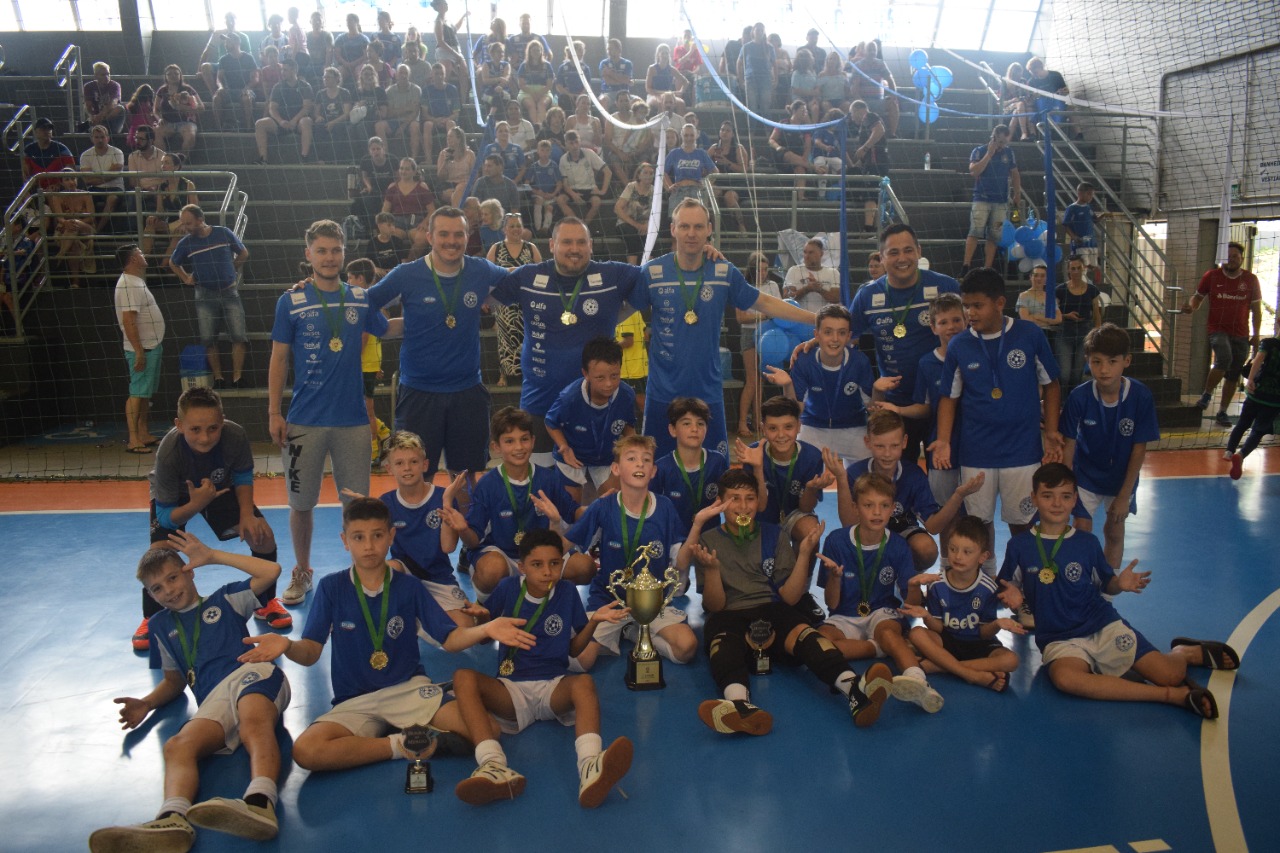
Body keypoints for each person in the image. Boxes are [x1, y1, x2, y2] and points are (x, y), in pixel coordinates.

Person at [239, 497, 533, 773]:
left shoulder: (409, 587)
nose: (369, 546)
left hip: (408, 690)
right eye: (358, 537)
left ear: (391, 536)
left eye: (377, 535)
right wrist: (287, 645)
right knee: (307, 751)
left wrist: (486, 628)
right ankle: (402, 743)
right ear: (345, 541)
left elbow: (450, 639)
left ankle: (414, 729)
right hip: (356, 700)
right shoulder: (331, 588)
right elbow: (310, 652)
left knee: (487, 729)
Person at [88, 534, 288, 853]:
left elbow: (271, 571)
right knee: (177, 745)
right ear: (150, 595)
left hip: (253, 672)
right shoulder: (159, 626)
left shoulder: (226, 599)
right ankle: (172, 819)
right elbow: (174, 681)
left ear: (189, 571)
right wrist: (146, 703)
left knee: (252, 722)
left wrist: (213, 556)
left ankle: (261, 802)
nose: (168, 590)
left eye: (173, 578)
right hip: (214, 700)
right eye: (157, 588)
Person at [998, 463, 1237, 718]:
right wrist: (1011, 596)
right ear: (1034, 498)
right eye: (1048, 496)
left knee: (1170, 674)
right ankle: (1170, 696)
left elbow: (1107, 583)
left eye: (1065, 496)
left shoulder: (1087, 543)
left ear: (1075, 500)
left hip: (1100, 625)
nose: (1057, 503)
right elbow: (1004, 587)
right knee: (1066, 679)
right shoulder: (1019, 546)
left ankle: (1184, 653)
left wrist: (1119, 584)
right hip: (1059, 638)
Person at [683, 469, 893, 733]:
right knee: (723, 647)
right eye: (734, 498)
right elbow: (714, 606)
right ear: (721, 503)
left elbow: (791, 597)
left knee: (809, 636)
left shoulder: (775, 535)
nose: (743, 506)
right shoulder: (708, 540)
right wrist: (713, 571)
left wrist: (804, 554)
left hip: (772, 608)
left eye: (750, 498)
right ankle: (739, 706)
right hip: (729, 611)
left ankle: (855, 689)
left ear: (758, 502)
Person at [449, 528, 633, 807]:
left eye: (554, 563)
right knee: (463, 677)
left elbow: (574, 650)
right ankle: (492, 764)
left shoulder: (567, 592)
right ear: (522, 567)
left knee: (584, 682)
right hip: (511, 690)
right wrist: (483, 621)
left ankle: (589, 765)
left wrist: (594, 621)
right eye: (537, 564)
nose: (547, 572)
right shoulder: (507, 588)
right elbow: (485, 640)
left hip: (553, 687)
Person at [268, 220, 390, 608]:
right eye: (321, 250)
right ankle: (303, 571)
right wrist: (273, 411)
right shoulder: (291, 301)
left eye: (335, 250)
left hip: (353, 422)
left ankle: (362, 573)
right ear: (308, 255)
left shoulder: (360, 298)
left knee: (357, 506)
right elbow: (279, 358)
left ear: (344, 253)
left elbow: (387, 329)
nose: (329, 257)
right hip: (304, 421)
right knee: (301, 504)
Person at [635, 198, 816, 458]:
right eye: (684, 226)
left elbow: (764, 302)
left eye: (698, 226)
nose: (691, 233)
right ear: (673, 229)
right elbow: (621, 307)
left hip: (707, 390)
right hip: (663, 392)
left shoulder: (722, 271)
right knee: (656, 468)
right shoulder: (651, 272)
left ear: (709, 229)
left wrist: (816, 320)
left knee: (714, 469)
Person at [934, 268, 1063, 575]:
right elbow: (948, 397)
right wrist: (943, 440)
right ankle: (986, 579)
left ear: (1000, 302)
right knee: (978, 524)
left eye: (977, 305)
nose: (970, 312)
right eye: (967, 305)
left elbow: (1052, 385)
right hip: (976, 451)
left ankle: (1025, 577)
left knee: (1023, 522)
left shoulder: (1030, 335)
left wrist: (1052, 431)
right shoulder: (959, 345)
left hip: (1022, 450)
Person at [142, 386, 289, 653]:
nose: (205, 437)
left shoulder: (235, 435)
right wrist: (197, 503)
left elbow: (242, 476)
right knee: (159, 553)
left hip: (220, 489)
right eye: (195, 429)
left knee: (262, 536)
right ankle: (151, 618)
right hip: (177, 499)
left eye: (213, 428)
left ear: (222, 420)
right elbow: (165, 516)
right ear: (179, 425)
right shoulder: (169, 452)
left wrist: (247, 515)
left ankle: (265, 601)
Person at [562, 434, 698, 671]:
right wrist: (555, 524)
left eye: (646, 460)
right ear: (616, 468)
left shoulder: (665, 507)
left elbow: (681, 562)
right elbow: (566, 544)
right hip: (610, 599)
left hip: (653, 600)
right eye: (631, 458)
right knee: (580, 660)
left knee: (686, 648)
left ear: (653, 471)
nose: (639, 464)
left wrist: (698, 524)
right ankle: (626, 628)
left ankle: (636, 632)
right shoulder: (602, 507)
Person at [816, 471, 943, 712]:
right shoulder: (836, 541)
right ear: (855, 508)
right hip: (844, 615)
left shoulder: (898, 545)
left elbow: (911, 604)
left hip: (882, 612)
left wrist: (914, 586)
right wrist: (834, 578)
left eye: (884, 506)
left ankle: (918, 681)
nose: (877, 512)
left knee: (889, 634)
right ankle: (878, 649)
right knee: (820, 645)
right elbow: (831, 603)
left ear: (893, 508)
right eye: (868, 505)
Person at [439, 407, 592, 598]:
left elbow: (573, 512)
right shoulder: (488, 485)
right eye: (509, 441)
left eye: (524, 439)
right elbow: (473, 541)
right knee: (491, 570)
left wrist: (598, 508)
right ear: (496, 447)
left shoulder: (548, 479)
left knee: (585, 567)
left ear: (533, 441)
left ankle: (547, 599)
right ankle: (489, 605)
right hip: (503, 555)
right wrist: (463, 530)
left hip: (541, 555)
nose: (519, 447)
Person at [844, 223, 962, 464]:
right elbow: (845, 337)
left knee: (945, 473)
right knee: (893, 474)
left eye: (908, 250)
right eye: (893, 252)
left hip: (945, 399)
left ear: (919, 251)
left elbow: (971, 334)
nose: (902, 258)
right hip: (894, 403)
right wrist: (816, 342)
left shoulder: (946, 287)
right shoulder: (867, 295)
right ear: (882, 257)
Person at [1060, 323, 1160, 570]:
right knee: (1081, 530)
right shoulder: (1079, 397)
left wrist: (1124, 495)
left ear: (1127, 361)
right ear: (1087, 361)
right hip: (1085, 476)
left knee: (1114, 531)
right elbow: (1069, 445)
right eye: (1097, 362)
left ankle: (1108, 587)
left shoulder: (1141, 396)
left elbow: (1139, 449)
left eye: (1112, 362)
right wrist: (1067, 486)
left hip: (1121, 478)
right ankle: (1081, 582)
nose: (1104, 369)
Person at [840, 409, 982, 572]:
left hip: (902, 530)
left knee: (926, 549)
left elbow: (933, 527)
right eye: (880, 446)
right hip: (867, 532)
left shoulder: (913, 475)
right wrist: (841, 479)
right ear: (868, 442)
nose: (887, 454)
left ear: (904, 442)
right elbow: (848, 524)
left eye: (894, 446)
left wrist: (958, 495)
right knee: (847, 545)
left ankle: (908, 578)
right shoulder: (854, 474)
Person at [899, 516, 1022, 692]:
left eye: (967, 552)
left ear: (983, 557)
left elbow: (984, 633)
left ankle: (939, 666)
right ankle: (971, 674)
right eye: (953, 549)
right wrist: (926, 617)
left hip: (978, 644)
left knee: (1011, 660)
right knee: (916, 633)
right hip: (947, 641)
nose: (958, 556)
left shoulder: (988, 588)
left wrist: (997, 624)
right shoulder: (937, 584)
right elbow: (938, 628)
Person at [376, 431, 474, 627]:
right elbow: (377, 551)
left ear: (425, 465)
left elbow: (448, 547)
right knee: (384, 571)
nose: (407, 468)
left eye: (413, 462)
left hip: (438, 578)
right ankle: (410, 613)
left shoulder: (443, 497)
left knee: (465, 627)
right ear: (389, 468)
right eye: (399, 463)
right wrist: (365, 514)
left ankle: (419, 618)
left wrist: (447, 502)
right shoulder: (385, 503)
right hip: (405, 574)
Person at [764, 305, 883, 466]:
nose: (835, 339)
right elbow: (796, 410)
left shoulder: (859, 362)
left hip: (854, 427)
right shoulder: (804, 361)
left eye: (841, 333)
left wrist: (878, 391)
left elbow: (872, 408)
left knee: (870, 472)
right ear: (816, 335)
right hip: (813, 426)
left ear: (849, 336)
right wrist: (787, 385)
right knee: (800, 471)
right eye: (828, 332)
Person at [544, 336, 637, 504]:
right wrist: (564, 447)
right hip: (573, 456)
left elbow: (629, 427)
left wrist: (629, 453)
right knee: (569, 508)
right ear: (585, 374)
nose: (608, 384)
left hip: (606, 457)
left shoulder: (627, 395)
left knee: (614, 503)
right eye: (600, 378)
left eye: (615, 376)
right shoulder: (569, 398)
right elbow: (551, 423)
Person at [1182, 241, 1263, 427]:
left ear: (1241, 258)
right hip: (1217, 329)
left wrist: (1256, 335)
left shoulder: (1251, 280)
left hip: (1241, 333)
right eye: (1228, 256)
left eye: (1235, 256)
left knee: (1234, 374)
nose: (1231, 260)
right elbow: (1198, 298)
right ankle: (1206, 394)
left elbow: (1256, 310)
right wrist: (1191, 307)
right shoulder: (1212, 276)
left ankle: (1222, 412)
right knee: (1224, 358)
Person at [169, 205, 248, 388]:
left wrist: (232, 268)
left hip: (229, 290)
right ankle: (218, 378)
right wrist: (185, 278)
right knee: (208, 339)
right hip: (204, 294)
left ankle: (238, 377)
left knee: (239, 335)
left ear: (200, 219)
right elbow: (173, 263)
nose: (186, 227)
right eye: (183, 223)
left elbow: (243, 252)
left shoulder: (223, 233)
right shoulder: (186, 242)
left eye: (188, 223)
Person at [114, 245, 165, 454]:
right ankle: (133, 439)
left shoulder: (136, 281)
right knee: (137, 392)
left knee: (144, 393)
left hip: (150, 346)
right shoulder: (128, 284)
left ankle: (143, 433)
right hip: (143, 348)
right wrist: (139, 351)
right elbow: (129, 321)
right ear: (134, 259)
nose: (144, 255)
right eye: (140, 253)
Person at [653, 397, 729, 531]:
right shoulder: (661, 468)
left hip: (710, 536)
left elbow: (729, 499)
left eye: (700, 423)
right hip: (675, 538)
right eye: (686, 423)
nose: (694, 429)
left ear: (706, 429)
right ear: (673, 430)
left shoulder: (717, 461)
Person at [486, 212, 541, 387]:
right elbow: (487, 274)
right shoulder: (496, 248)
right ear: (504, 229)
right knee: (504, 338)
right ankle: (503, 374)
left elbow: (541, 274)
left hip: (527, 301)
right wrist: (487, 299)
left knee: (528, 338)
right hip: (503, 302)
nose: (516, 229)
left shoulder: (531, 248)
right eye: (512, 226)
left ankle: (527, 373)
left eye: (518, 226)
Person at [962, 125, 1021, 273]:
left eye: (1005, 142)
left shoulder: (1009, 152)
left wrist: (1017, 193)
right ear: (993, 138)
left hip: (1000, 201)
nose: (1002, 145)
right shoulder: (979, 151)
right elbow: (974, 172)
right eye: (1000, 142)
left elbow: (1015, 173)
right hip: (981, 199)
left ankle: (987, 269)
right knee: (975, 231)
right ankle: (966, 265)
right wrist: (989, 154)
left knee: (994, 235)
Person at [736, 251, 781, 436]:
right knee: (752, 380)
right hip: (750, 334)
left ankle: (757, 421)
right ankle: (742, 423)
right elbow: (740, 318)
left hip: (769, 334)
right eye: (758, 270)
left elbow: (779, 310)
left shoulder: (773, 286)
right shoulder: (743, 287)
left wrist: (768, 317)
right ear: (751, 270)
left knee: (761, 381)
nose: (762, 273)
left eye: (765, 269)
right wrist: (762, 315)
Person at [1225, 333, 1280, 480]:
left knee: (1242, 423)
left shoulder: (1268, 343)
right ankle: (1241, 454)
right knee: (1258, 431)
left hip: (1257, 392)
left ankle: (1229, 451)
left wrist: (1250, 379)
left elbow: (1258, 359)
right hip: (1274, 399)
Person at [253, 56, 314, 165]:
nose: (282, 72)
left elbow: (307, 107)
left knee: (307, 121)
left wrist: (294, 120)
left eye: (285, 70)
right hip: (281, 122)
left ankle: (304, 158)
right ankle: (263, 159)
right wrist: (281, 121)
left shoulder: (305, 86)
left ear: (294, 70)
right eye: (282, 70)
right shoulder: (278, 87)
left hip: (298, 122)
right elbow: (272, 108)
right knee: (260, 123)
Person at [1054, 255, 1103, 388]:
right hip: (1065, 332)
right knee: (1064, 374)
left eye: (1078, 268)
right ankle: (1062, 398)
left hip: (1085, 333)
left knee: (1077, 374)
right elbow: (1053, 314)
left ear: (1083, 269)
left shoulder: (1092, 290)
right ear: (1068, 270)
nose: (1076, 271)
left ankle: (1074, 398)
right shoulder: (1060, 290)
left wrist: (1097, 334)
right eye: (1073, 268)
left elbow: (1096, 314)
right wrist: (1066, 316)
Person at [846, 99, 890, 231]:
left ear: (857, 110)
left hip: (876, 163)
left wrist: (864, 148)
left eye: (852, 114)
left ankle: (868, 228)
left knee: (870, 195)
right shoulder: (864, 124)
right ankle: (875, 229)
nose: (852, 118)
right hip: (872, 163)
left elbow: (879, 130)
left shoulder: (869, 117)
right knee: (875, 195)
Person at [558, 130, 612, 223]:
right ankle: (576, 224)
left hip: (589, 189)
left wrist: (603, 191)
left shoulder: (589, 153)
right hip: (572, 189)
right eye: (571, 143)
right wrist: (573, 194)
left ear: (580, 142)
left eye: (576, 142)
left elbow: (608, 172)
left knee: (596, 202)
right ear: (566, 144)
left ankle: (584, 225)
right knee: (560, 200)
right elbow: (565, 184)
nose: (575, 146)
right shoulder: (563, 159)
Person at [848, 40, 899, 137]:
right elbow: (855, 88)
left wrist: (893, 95)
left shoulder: (881, 64)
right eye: (869, 50)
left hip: (879, 101)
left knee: (893, 104)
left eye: (874, 50)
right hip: (863, 100)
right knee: (857, 106)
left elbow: (890, 80)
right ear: (864, 51)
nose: (872, 52)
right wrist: (861, 102)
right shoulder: (858, 65)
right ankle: (860, 134)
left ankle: (892, 134)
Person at [664, 122, 716, 215]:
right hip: (679, 191)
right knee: (677, 219)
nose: (689, 138)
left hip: (697, 191)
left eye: (691, 135)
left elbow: (715, 171)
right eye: (686, 135)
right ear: (681, 136)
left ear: (696, 135)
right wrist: (669, 187)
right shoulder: (674, 153)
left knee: (698, 218)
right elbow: (662, 172)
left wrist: (706, 185)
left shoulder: (701, 153)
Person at [212, 34, 259, 131]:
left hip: (246, 89)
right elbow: (219, 78)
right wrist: (220, 87)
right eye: (225, 42)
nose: (225, 44)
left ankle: (248, 128)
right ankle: (219, 129)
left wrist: (246, 88)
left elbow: (255, 78)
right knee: (216, 98)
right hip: (229, 90)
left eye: (228, 42)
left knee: (246, 98)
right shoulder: (223, 59)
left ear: (237, 42)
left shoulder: (248, 58)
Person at [782, 238, 841, 313]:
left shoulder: (833, 273)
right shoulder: (794, 271)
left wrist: (819, 289)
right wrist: (807, 289)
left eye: (811, 253)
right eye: (805, 252)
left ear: (821, 254)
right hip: (799, 317)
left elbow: (836, 299)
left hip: (824, 317)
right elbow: (787, 298)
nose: (806, 256)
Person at [155, 65, 202, 158]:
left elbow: (201, 107)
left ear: (180, 75)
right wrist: (159, 118)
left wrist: (183, 107)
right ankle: (164, 161)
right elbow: (155, 109)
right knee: (155, 133)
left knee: (190, 136)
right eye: (169, 74)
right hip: (167, 122)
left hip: (187, 122)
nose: (173, 76)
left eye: (176, 74)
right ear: (165, 77)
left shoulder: (188, 89)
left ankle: (181, 161)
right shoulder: (162, 90)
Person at [769, 100, 814, 195]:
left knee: (801, 170)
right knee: (788, 154)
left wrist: (804, 158)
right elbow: (771, 140)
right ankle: (814, 167)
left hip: (799, 158)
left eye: (806, 111)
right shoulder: (783, 123)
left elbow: (808, 146)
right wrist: (777, 147)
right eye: (802, 110)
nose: (805, 113)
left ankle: (801, 199)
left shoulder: (805, 128)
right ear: (794, 111)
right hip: (782, 155)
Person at [522, 140, 564, 237]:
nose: (544, 153)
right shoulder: (534, 166)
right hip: (538, 194)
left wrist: (553, 194)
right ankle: (538, 229)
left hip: (550, 194)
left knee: (549, 207)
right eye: (542, 150)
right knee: (538, 201)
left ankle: (545, 229)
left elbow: (559, 183)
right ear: (538, 151)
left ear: (550, 152)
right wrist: (536, 192)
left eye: (547, 150)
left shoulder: (553, 165)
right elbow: (526, 184)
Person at [420, 62, 460, 162]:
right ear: (432, 75)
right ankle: (428, 159)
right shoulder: (426, 90)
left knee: (451, 124)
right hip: (432, 120)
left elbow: (456, 113)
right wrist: (435, 120)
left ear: (445, 75)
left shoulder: (452, 89)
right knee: (427, 125)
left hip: (448, 120)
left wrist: (446, 120)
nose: (439, 76)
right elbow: (424, 114)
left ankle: (449, 157)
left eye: (442, 73)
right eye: (436, 74)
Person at [1016, 263, 1061, 348]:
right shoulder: (1023, 296)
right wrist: (1047, 320)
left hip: (1048, 336)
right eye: (1036, 275)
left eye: (1042, 276)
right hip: (1029, 334)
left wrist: (1037, 316)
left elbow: (1059, 319)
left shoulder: (1050, 297)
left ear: (1046, 278)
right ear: (1030, 277)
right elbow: (1025, 319)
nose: (1039, 278)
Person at [22, 117, 75, 188]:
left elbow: (71, 172)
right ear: (36, 132)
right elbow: (26, 175)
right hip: (37, 189)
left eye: (49, 129)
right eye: (43, 129)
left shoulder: (62, 150)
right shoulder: (29, 150)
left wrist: (58, 185)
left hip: (59, 189)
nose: (47, 131)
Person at [383, 64, 423, 158]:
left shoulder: (416, 90)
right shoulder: (389, 91)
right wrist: (406, 108)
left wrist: (402, 126)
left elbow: (415, 112)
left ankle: (413, 158)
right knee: (379, 126)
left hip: (409, 122)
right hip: (393, 122)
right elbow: (389, 113)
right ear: (396, 75)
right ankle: (385, 157)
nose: (403, 75)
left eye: (406, 73)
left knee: (415, 126)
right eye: (401, 73)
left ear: (409, 75)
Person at [737, 23, 776, 114]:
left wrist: (776, 79)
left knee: (765, 106)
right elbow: (739, 63)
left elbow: (774, 64)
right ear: (753, 31)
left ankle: (766, 124)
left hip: (766, 80)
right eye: (758, 30)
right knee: (752, 107)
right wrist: (741, 80)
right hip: (751, 79)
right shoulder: (746, 47)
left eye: (762, 30)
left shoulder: (769, 47)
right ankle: (752, 124)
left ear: (764, 32)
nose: (760, 32)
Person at [1060, 182, 1099, 271]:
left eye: (1092, 195)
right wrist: (1074, 237)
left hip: (1092, 243)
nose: (1091, 197)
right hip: (1080, 244)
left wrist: (1104, 215)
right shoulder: (1072, 208)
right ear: (1080, 193)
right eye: (1089, 194)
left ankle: (1085, 279)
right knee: (1080, 267)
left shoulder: (1088, 207)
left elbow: (1095, 220)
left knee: (1092, 266)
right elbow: (1065, 225)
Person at [516, 40, 554, 128]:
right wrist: (532, 93)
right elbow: (521, 84)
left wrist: (540, 93)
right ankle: (536, 126)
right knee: (531, 105)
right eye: (533, 50)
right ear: (529, 51)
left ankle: (541, 127)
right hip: (526, 91)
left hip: (544, 91)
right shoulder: (524, 65)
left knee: (542, 104)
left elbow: (549, 84)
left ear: (541, 51)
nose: (536, 52)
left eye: (538, 50)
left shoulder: (547, 65)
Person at [435, 127, 475, 209]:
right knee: (456, 195)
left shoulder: (470, 154)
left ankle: (455, 213)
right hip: (448, 185)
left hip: (465, 184)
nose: (448, 139)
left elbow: (475, 174)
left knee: (460, 189)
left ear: (459, 139)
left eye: (451, 136)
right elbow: (441, 176)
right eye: (447, 137)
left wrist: (465, 185)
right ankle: (458, 213)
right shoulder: (443, 153)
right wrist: (445, 162)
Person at [617, 310, 649, 415]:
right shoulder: (636, 311)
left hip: (630, 369)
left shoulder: (624, 314)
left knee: (640, 401)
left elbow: (628, 341)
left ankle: (650, 423)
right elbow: (646, 335)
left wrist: (607, 347)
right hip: (639, 365)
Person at [83, 61, 126, 135]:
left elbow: (113, 103)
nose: (106, 77)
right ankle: (93, 125)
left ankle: (95, 125)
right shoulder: (89, 86)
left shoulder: (115, 85)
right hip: (95, 117)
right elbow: (88, 105)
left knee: (120, 108)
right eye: (103, 75)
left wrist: (100, 116)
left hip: (110, 119)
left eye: (108, 74)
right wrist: (93, 116)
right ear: (96, 76)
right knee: (85, 108)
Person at [364, 212, 409, 279]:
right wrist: (378, 270)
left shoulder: (398, 241)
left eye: (393, 225)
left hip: (396, 274)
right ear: (379, 226)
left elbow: (404, 262)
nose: (392, 228)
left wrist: (395, 270)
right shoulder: (372, 243)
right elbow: (368, 263)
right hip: (379, 276)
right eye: (389, 225)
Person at [646, 44, 689, 113]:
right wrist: (661, 93)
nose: (665, 55)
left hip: (669, 95)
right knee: (661, 102)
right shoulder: (652, 68)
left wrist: (681, 91)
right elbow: (648, 89)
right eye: (663, 53)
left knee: (681, 103)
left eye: (666, 53)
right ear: (658, 55)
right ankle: (662, 120)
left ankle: (679, 120)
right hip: (654, 95)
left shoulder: (672, 69)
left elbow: (686, 82)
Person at [334, 13, 371, 89]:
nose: (348, 23)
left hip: (359, 65)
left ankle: (361, 93)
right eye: (347, 21)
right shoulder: (340, 38)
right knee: (337, 75)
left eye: (350, 21)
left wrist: (354, 64)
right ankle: (338, 93)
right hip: (344, 65)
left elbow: (366, 56)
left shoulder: (364, 39)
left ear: (357, 22)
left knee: (360, 72)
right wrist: (346, 63)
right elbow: (337, 55)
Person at [597, 38, 634, 111]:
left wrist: (610, 73)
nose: (608, 51)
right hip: (608, 93)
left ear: (619, 49)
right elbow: (608, 81)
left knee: (637, 101)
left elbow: (626, 79)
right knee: (602, 100)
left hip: (624, 93)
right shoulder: (604, 63)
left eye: (611, 49)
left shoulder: (627, 63)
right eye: (608, 49)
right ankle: (606, 119)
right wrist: (623, 80)